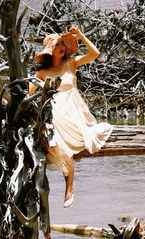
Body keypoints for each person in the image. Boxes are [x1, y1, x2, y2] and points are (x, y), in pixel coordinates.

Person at [33, 26, 112, 208]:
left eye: (62, 44)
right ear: (49, 51)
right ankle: (65, 187)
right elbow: (27, 91)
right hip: (53, 111)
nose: (61, 47)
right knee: (58, 144)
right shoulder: (42, 72)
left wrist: (80, 35)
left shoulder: (71, 63)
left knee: (79, 137)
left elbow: (95, 54)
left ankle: (69, 188)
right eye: (56, 45)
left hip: (74, 110)